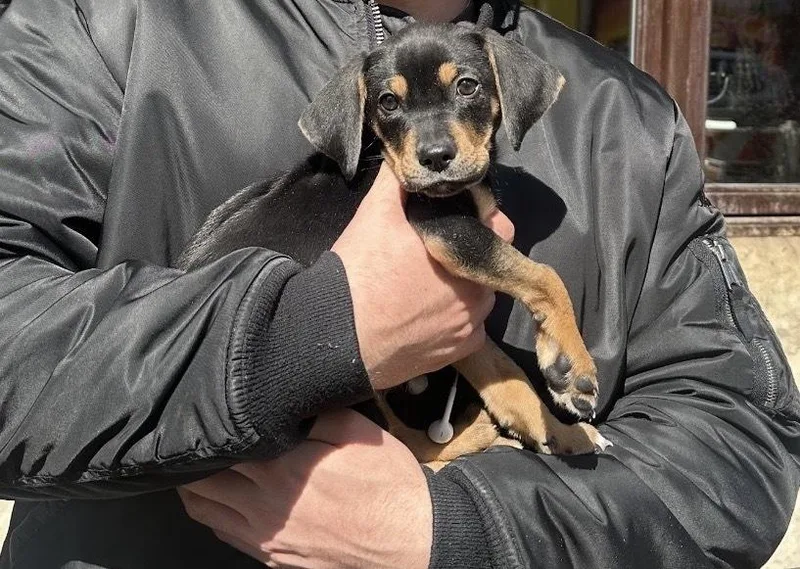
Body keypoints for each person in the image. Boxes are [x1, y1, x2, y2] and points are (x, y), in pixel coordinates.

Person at [0, 0, 797, 567]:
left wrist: (463, 529)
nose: (436, 142)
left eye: (466, 91)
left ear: (502, 95)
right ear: (367, 116)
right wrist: (306, 334)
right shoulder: (102, 22)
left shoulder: (631, 123)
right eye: (394, 107)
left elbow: (735, 448)